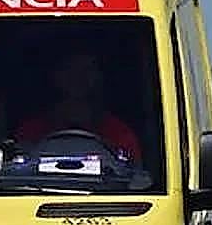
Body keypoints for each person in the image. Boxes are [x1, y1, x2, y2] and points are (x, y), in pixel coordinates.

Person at [14, 52, 143, 163]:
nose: (78, 76)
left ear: (98, 76)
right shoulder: (30, 132)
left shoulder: (120, 134)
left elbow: (134, 179)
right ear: (56, 75)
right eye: (70, 68)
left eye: (87, 69)